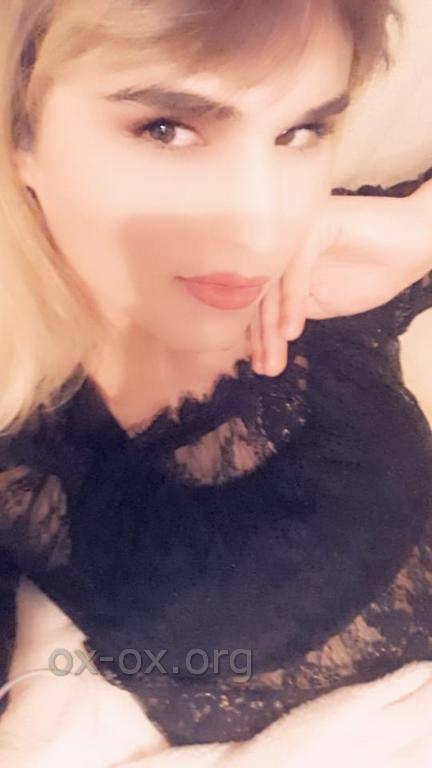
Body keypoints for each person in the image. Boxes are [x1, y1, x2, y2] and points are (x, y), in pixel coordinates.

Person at [1, 0, 432, 766]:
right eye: (166, 128)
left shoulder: (324, 269)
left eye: (301, 131)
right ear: (20, 134)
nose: (262, 226)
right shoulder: (25, 448)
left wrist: (417, 233)